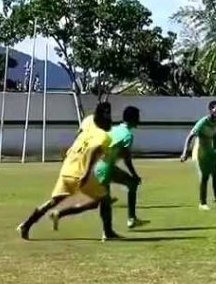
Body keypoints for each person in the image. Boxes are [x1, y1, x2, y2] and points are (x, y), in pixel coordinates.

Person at [16, 102, 116, 240]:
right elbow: (93, 151)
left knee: (53, 201)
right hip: (81, 172)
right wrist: (86, 174)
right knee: (103, 199)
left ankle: (26, 225)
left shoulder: (88, 121)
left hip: (68, 167)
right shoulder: (104, 136)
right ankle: (107, 233)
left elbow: (78, 134)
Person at [55, 105, 147, 234]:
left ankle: (127, 221)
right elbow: (126, 158)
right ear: (133, 119)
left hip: (101, 165)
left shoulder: (114, 129)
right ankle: (61, 214)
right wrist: (134, 174)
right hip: (105, 168)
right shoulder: (128, 136)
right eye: (138, 117)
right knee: (101, 202)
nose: (139, 120)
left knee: (127, 186)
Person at [181, 100, 216, 210]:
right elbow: (190, 136)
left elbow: (215, 136)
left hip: (209, 151)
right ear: (210, 110)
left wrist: (215, 149)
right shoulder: (203, 122)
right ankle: (202, 203)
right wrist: (185, 152)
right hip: (200, 151)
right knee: (205, 177)